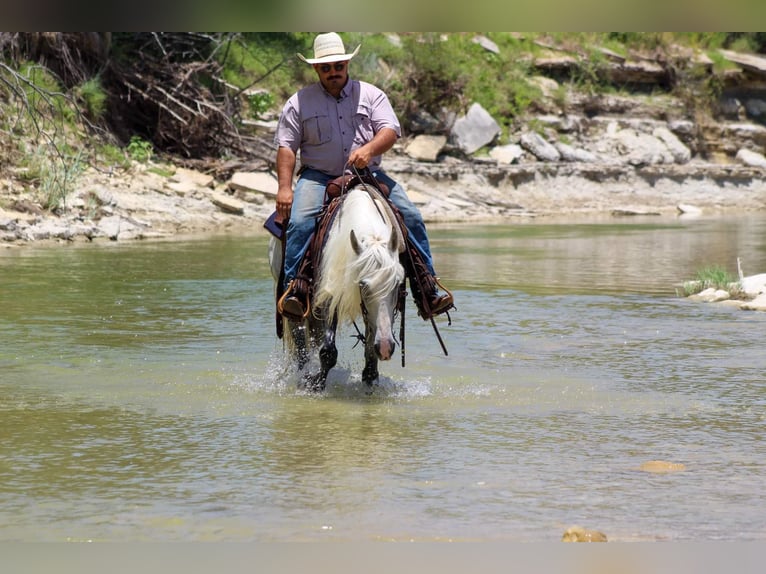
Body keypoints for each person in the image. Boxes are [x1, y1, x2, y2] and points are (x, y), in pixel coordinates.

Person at [273, 32, 453, 322]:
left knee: (411, 216)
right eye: (327, 67)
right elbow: (286, 147)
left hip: (367, 174)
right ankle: (296, 288)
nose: (334, 72)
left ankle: (427, 287)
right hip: (319, 176)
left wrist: (369, 150)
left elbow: (389, 130)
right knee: (301, 220)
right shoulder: (299, 102)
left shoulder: (370, 94)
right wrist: (284, 187)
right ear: (316, 69)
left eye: (338, 66)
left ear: (347, 64)